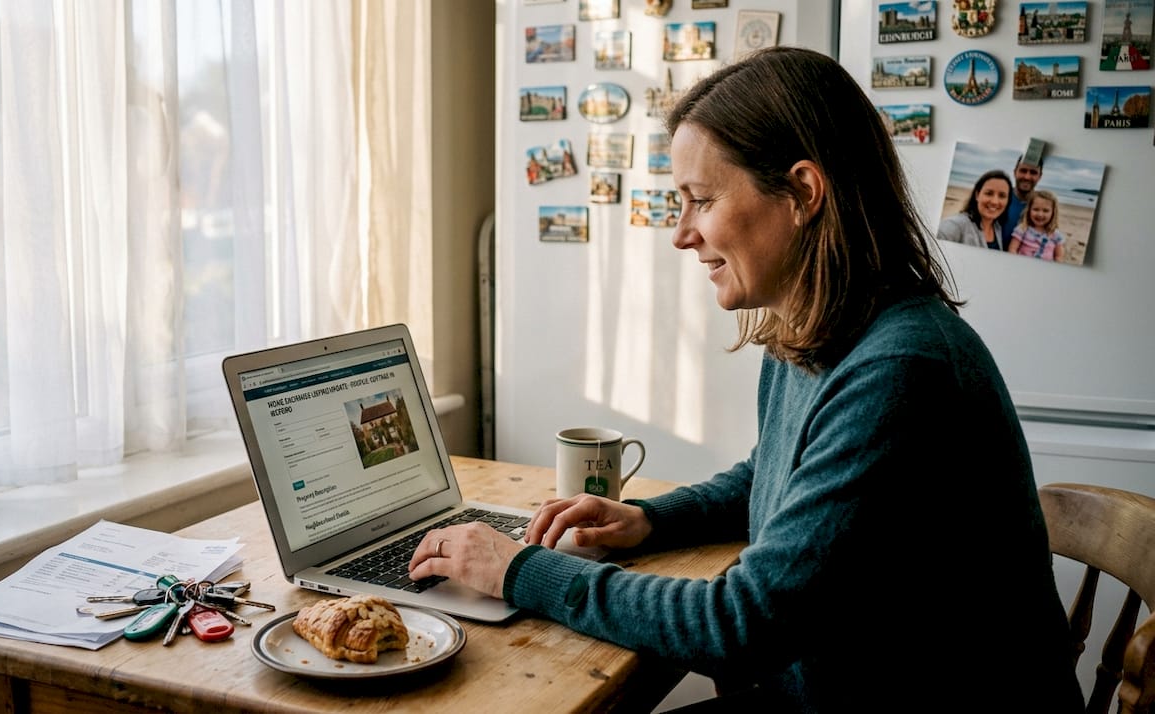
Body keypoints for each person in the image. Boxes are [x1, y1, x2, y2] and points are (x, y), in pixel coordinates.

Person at [409, 46, 1083, 712]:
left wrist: (518, 570)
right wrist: (646, 520)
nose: (681, 234)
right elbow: (774, 473)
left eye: (700, 199)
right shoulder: (823, 328)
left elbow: (742, 624)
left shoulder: (902, 371)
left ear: (802, 192)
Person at [937, 169, 1012, 251]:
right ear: (977, 195)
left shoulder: (997, 227)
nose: (995, 201)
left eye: (1002, 196)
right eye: (989, 193)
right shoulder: (956, 225)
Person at [1009, 189, 1066, 261]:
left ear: (1053, 212)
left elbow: (1058, 257)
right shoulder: (1022, 229)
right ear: (1029, 210)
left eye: (1045, 210)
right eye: (1036, 209)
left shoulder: (1056, 234)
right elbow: (1012, 249)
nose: (1040, 214)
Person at [1002, 153, 1044, 245]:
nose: (1027, 177)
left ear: (1040, 176)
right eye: (1023, 171)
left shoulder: (1043, 207)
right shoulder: (1000, 198)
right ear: (1015, 172)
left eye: (1033, 172)